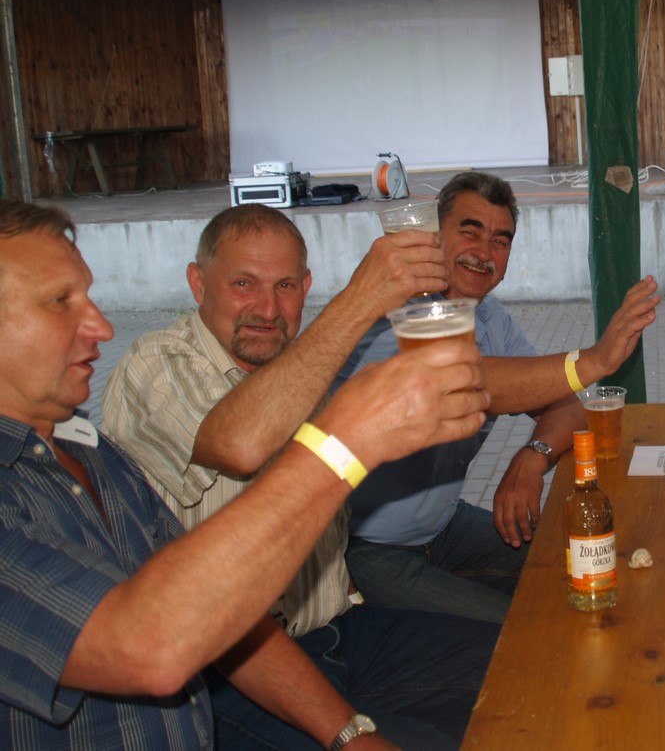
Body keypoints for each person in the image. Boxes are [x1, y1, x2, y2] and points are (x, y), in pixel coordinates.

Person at [0, 200, 493, 750]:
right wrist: (346, 437)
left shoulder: (87, 452)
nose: (101, 326)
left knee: (515, 666)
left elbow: (212, 608)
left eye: (286, 286)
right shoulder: (157, 363)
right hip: (225, 688)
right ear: (197, 283)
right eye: (60, 301)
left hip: (316, 639)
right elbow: (153, 642)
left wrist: (348, 732)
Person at [339, 171, 660, 622]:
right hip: (368, 551)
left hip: (444, 529)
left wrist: (534, 456)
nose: (484, 253)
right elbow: (465, 380)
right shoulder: (388, 314)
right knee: (520, 631)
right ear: (434, 236)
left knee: (594, 563)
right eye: (470, 232)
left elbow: (567, 404)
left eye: (500, 241)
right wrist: (594, 360)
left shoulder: (490, 317)